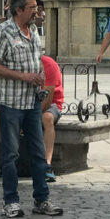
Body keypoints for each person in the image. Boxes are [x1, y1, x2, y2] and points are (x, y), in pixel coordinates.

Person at [0, 0, 63, 218]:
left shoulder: (33, 32)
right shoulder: (3, 32)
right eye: (32, 7)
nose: (36, 11)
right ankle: (10, 201)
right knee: (11, 154)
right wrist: (24, 76)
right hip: (11, 102)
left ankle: (42, 199)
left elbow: (36, 62)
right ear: (19, 10)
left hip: (32, 102)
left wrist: (39, 76)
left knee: (39, 153)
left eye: (36, 7)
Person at [41, 53, 64, 181]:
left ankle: (47, 164)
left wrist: (33, 116)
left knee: (47, 118)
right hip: (27, 102)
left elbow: (47, 99)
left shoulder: (49, 64)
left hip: (51, 103)